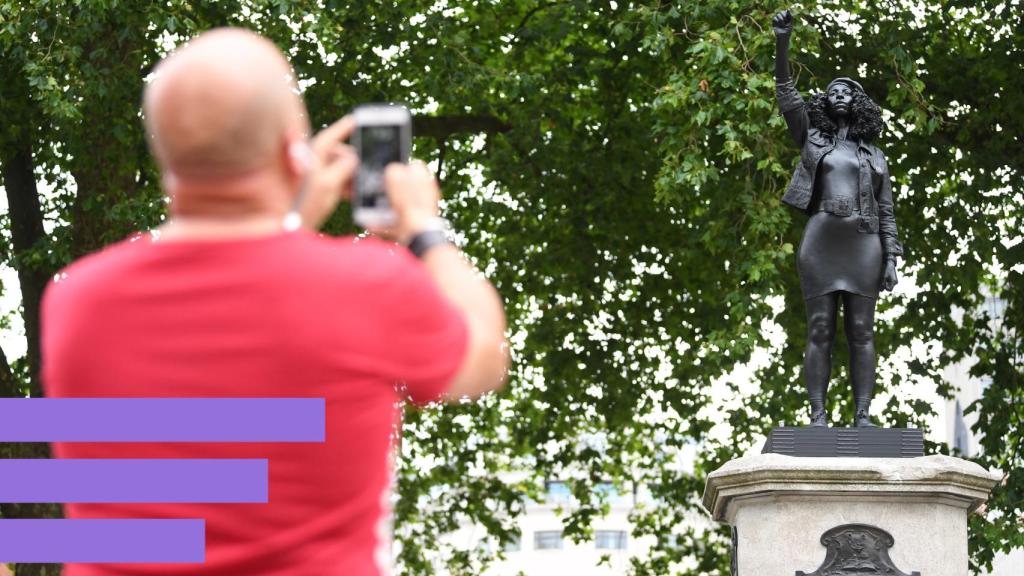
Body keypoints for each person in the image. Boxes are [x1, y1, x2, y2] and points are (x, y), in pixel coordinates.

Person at [40, 28, 509, 575]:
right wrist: (427, 229)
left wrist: (290, 219)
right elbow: (483, 359)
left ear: (166, 154)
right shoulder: (367, 287)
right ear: (294, 152)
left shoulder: (77, 299)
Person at [772, 9, 903, 427]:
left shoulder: (875, 156)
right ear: (825, 102)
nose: (840, 93)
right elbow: (786, 93)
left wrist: (892, 258)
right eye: (833, 90)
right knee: (820, 329)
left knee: (862, 332)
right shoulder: (812, 137)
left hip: (865, 243)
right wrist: (782, 41)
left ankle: (863, 416)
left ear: (859, 102)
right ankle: (818, 417)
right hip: (822, 239)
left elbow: (886, 210)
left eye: (848, 90)